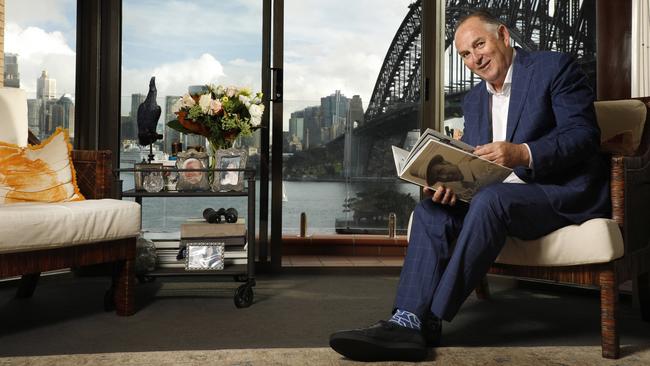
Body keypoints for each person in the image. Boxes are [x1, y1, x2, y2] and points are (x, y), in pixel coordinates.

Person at [329, 9, 609, 362]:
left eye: (480, 44)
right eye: (464, 53)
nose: (474, 58)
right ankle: (406, 317)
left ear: (504, 36)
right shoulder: (475, 99)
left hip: (560, 192)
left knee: (492, 200)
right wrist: (451, 185)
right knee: (431, 209)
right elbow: (474, 165)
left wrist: (523, 153)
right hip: (498, 197)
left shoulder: (554, 68)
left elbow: (583, 137)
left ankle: (421, 320)